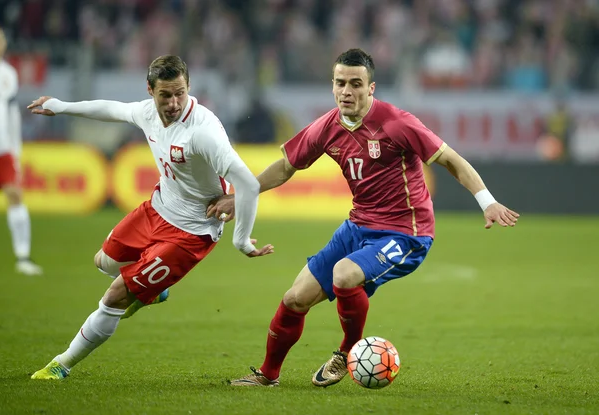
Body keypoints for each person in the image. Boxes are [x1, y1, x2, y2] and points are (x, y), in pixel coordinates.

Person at [206, 48, 519, 387]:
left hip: (406, 233)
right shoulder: (326, 127)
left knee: (344, 274)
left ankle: (347, 351)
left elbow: (452, 160)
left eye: (356, 84)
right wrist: (241, 197)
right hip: (357, 227)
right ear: (332, 86)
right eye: (341, 83)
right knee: (294, 298)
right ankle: (267, 376)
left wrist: (486, 201)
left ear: (371, 88)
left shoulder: (397, 123)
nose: (347, 91)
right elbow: (284, 167)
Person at [27, 55, 274, 380]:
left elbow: (249, 184)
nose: (173, 103)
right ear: (150, 90)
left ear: (188, 88)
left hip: (191, 233)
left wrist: (241, 239)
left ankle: (61, 364)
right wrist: (60, 105)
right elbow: (111, 109)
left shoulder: (203, 131)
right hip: (157, 209)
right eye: (165, 95)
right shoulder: (147, 113)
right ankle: (154, 291)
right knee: (103, 262)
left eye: (180, 93)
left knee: (116, 295)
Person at [0, 27, 43, 276]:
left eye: (1, 40)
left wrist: (16, 147)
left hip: (3, 150)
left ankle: (23, 256)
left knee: (15, 195)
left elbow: (12, 113)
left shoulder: (8, 74)